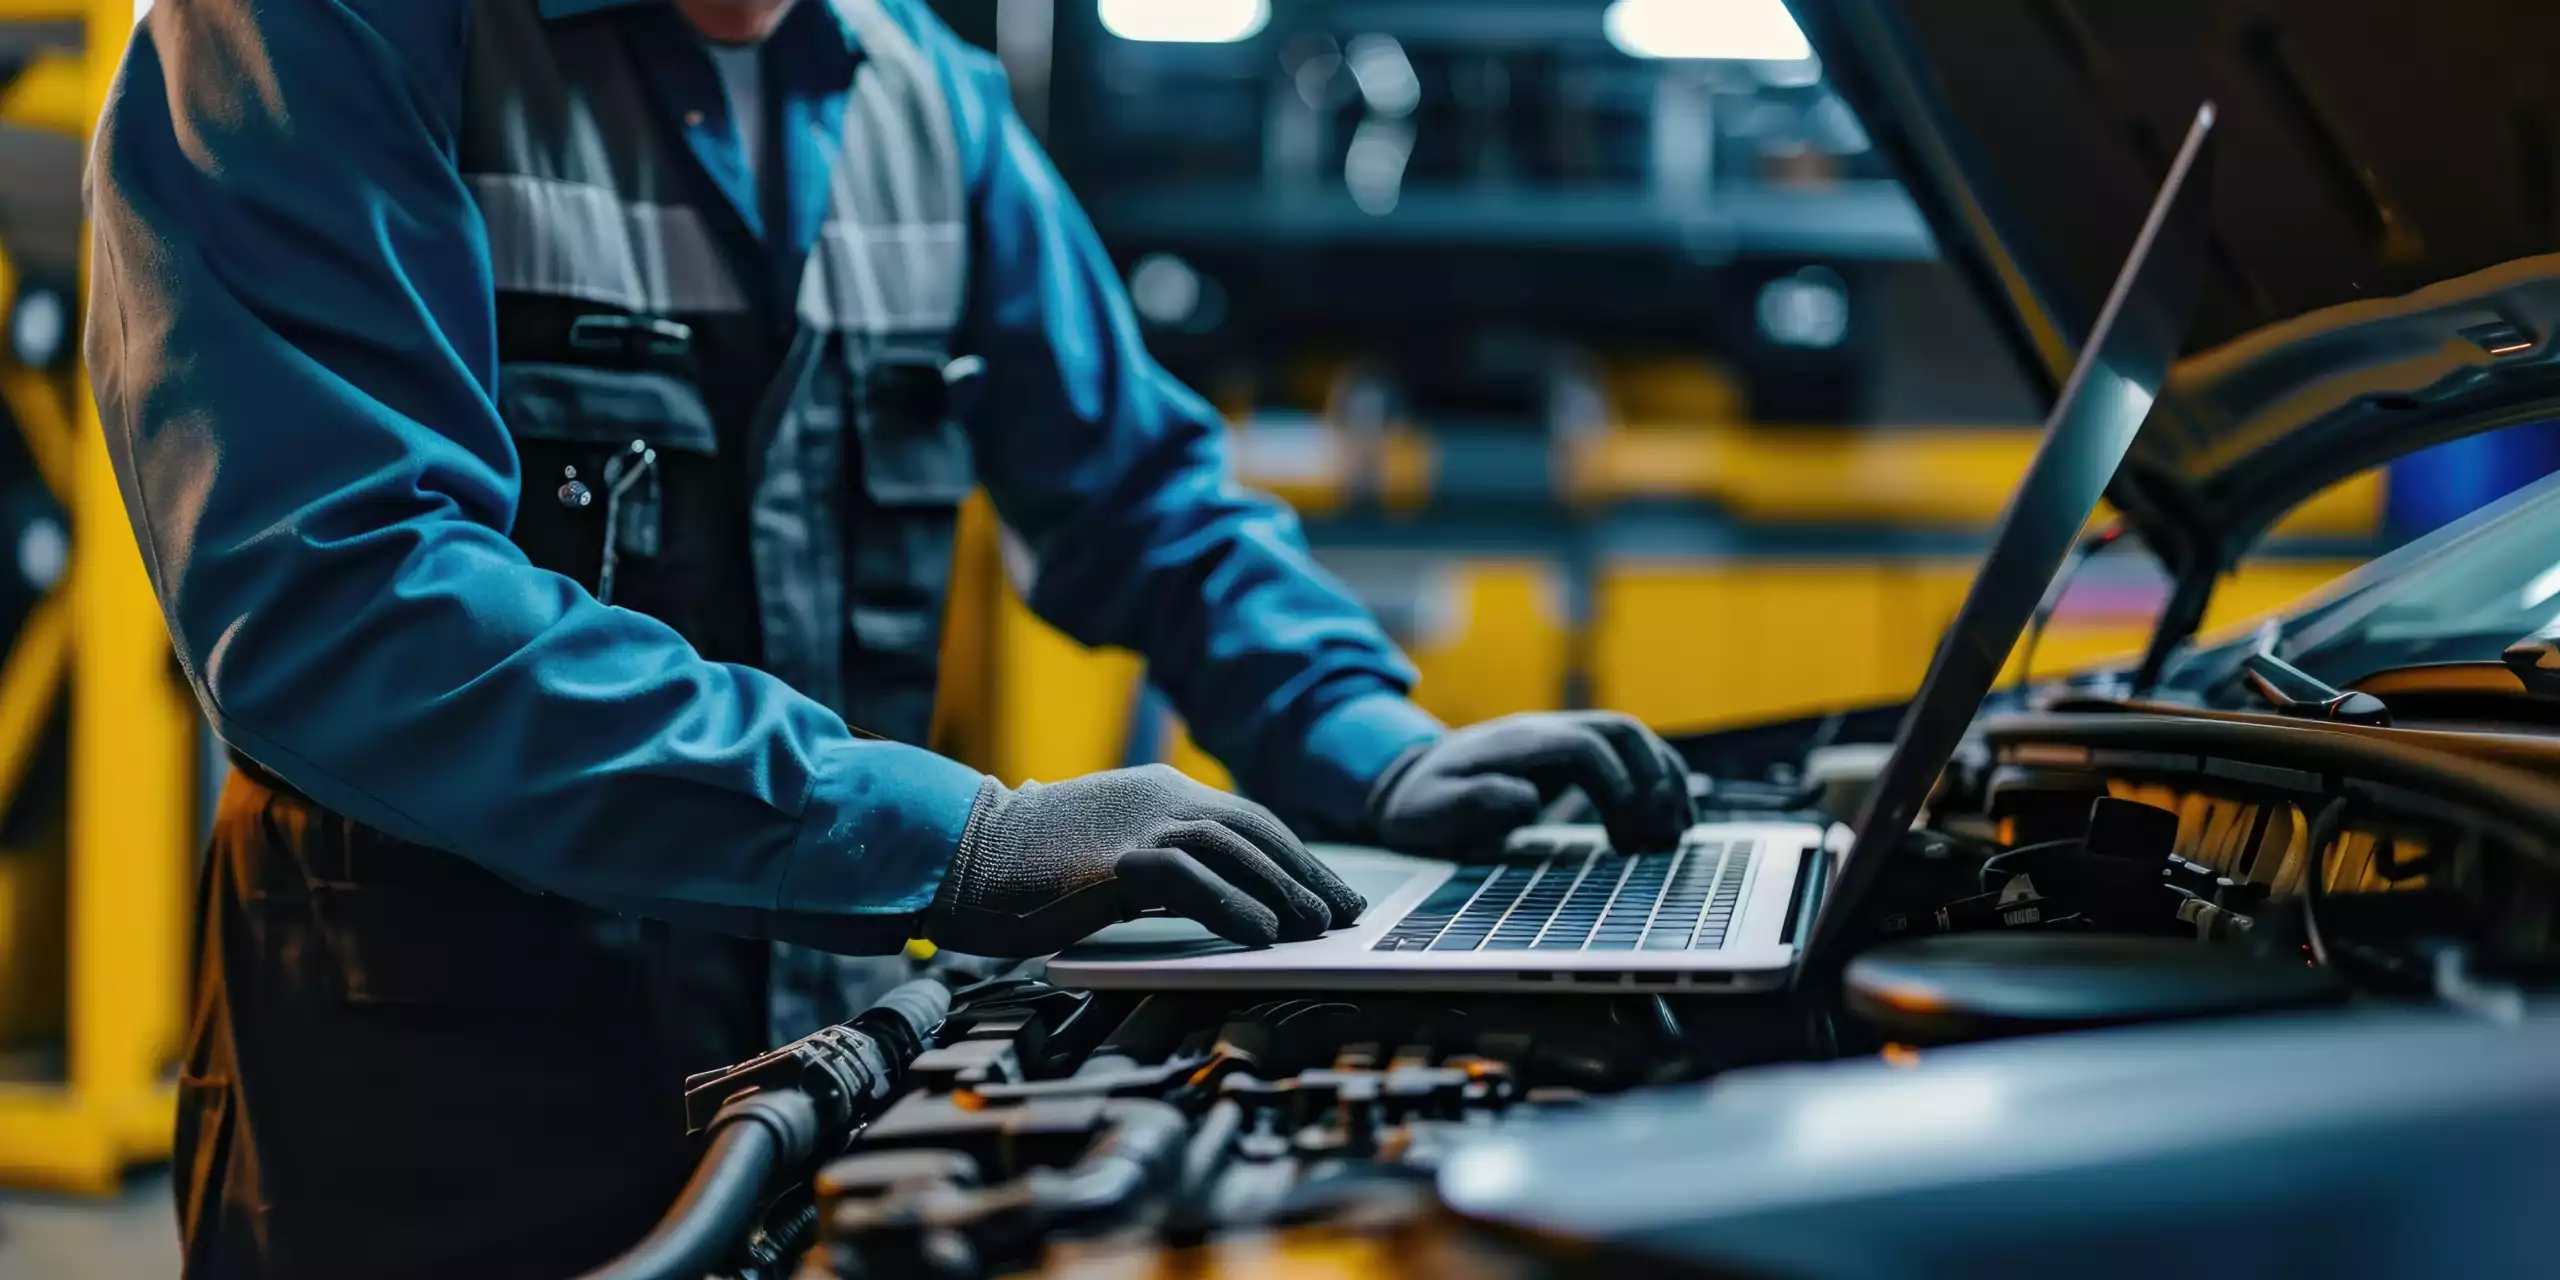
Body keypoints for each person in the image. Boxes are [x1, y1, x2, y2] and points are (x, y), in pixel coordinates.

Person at [86, 1, 1697, 1275]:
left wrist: (1369, 740)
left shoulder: (920, 98)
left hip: (830, 1079)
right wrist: (960, 835)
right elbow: (346, 599)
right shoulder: (317, 32)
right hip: (427, 1115)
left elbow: (1143, 492)